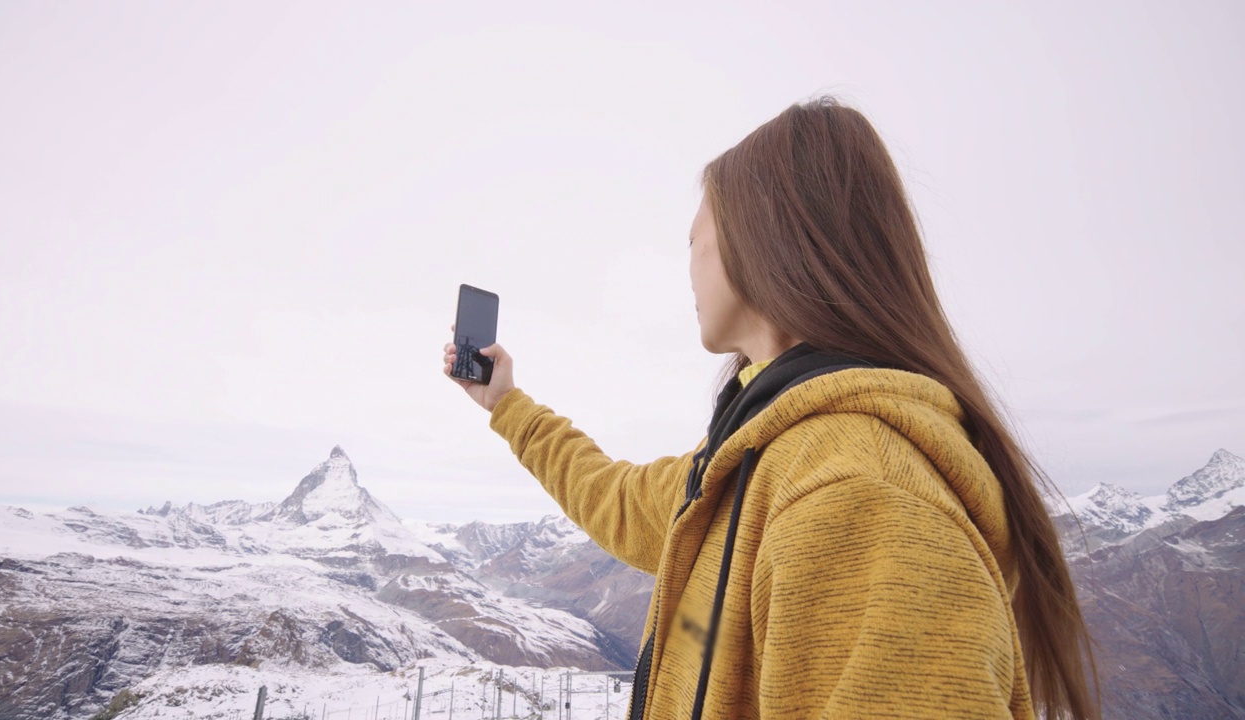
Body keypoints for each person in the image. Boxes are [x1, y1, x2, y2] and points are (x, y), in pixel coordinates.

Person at [442, 96, 1097, 719]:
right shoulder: (753, 460)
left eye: (693, 240)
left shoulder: (860, 496)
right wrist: (506, 404)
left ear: (760, 245)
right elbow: (616, 498)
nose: (688, 270)